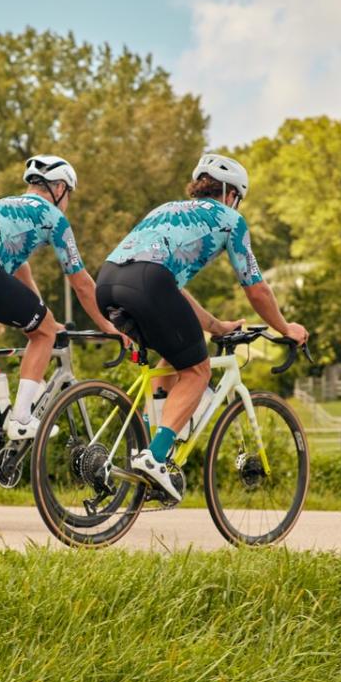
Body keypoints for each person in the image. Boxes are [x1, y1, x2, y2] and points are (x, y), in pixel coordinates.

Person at [96, 153, 308, 501]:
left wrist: (215, 325)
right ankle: (155, 456)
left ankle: (149, 451)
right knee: (197, 371)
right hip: (151, 283)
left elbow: (169, 287)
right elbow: (256, 288)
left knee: (172, 357)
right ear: (230, 194)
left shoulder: (165, 209)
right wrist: (286, 328)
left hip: (107, 281)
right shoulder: (229, 220)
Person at [0, 155, 123, 457]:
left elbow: (22, 272)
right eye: (69, 194)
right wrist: (109, 327)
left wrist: (41, 313)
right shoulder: (53, 217)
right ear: (59, 188)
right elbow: (82, 284)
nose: (68, 200)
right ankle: (21, 419)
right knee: (43, 334)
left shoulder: (2, 206)